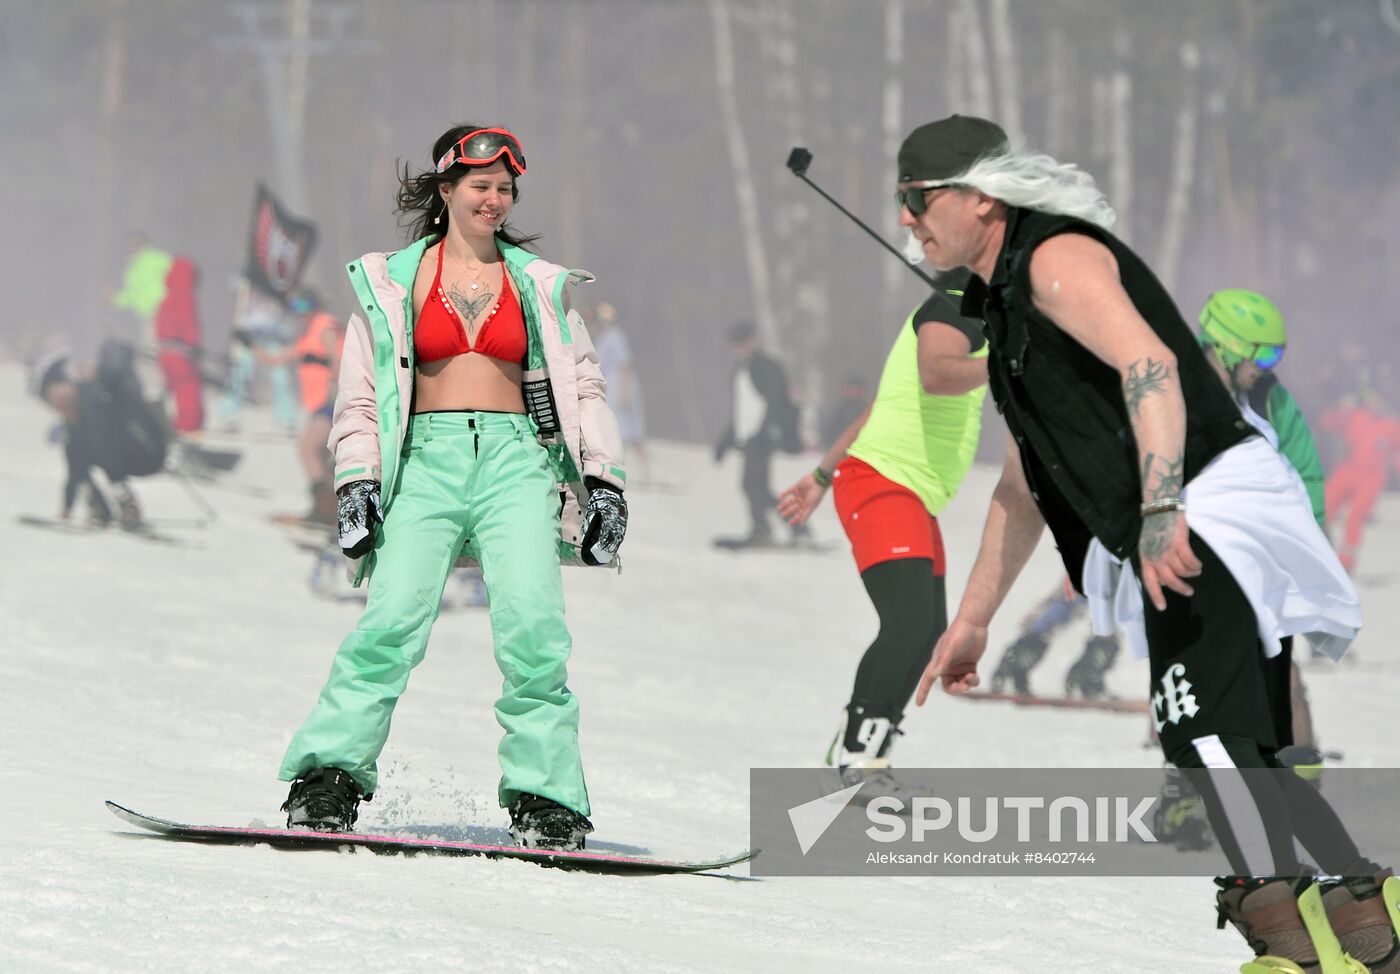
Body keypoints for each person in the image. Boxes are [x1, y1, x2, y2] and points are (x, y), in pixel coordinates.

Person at [900, 116, 1394, 971]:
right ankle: (1366, 926)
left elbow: (1151, 365)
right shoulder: (1011, 319)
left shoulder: (1055, 255)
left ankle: (1291, 945)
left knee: (1199, 733)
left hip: (1206, 503)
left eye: (918, 199)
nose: (908, 219)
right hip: (1187, 510)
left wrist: (1163, 504)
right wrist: (974, 619)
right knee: (1248, 745)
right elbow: (1022, 490)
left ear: (979, 197)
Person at [277, 124, 628, 853]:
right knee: (391, 622)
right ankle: (328, 779)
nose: (494, 200)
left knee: (533, 629)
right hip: (426, 462)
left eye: (504, 189)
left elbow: (583, 383)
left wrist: (604, 481)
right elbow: (362, 394)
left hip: (514, 463)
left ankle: (546, 796)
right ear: (445, 191)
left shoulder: (537, 284)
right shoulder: (390, 282)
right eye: (480, 187)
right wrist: (356, 481)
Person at [777, 268, 987, 797]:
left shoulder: (977, 317)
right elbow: (937, 374)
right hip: (885, 479)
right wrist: (1004, 365)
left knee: (927, 630)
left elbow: (880, 407)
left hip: (909, 488)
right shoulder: (955, 305)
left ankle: (871, 759)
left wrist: (822, 474)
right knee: (909, 622)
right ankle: (854, 755)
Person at [33, 341, 170, 529]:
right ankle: (100, 509)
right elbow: (74, 469)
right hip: (125, 456)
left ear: (66, 383)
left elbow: (121, 375)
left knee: (95, 446)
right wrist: (67, 507)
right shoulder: (75, 421)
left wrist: (100, 369)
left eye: (55, 394)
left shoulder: (95, 391)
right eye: (50, 401)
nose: (56, 403)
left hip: (148, 448)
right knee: (78, 453)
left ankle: (129, 507)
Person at [256, 289, 344, 524]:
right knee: (324, 459)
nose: (300, 313)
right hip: (319, 405)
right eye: (296, 308)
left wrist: (335, 388)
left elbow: (339, 358)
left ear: (315, 305)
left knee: (307, 448)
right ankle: (331, 511)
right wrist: (249, 344)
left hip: (333, 401)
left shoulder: (325, 326)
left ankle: (326, 510)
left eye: (304, 306)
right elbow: (274, 359)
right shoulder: (307, 336)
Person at [714, 321, 803, 545]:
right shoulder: (740, 368)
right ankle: (795, 525)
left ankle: (763, 528)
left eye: (743, 342)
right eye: (736, 344)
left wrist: (768, 431)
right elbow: (741, 409)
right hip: (748, 437)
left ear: (753, 340)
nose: (740, 347)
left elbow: (775, 402)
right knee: (757, 486)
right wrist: (725, 441)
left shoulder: (767, 366)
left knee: (752, 485)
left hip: (762, 437)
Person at [1322, 390, 1400, 574]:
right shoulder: (1356, 415)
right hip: (1347, 470)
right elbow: (1328, 423)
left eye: (1379, 400)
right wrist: (1339, 410)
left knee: (1355, 518)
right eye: (1372, 400)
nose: (1375, 404)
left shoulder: (1392, 426)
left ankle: (1345, 562)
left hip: (1371, 478)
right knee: (1322, 510)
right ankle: (1314, 552)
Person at [590, 301, 649, 481]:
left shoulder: (616, 336)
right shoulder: (605, 336)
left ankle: (643, 472)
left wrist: (623, 392)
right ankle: (625, 470)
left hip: (620, 384)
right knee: (618, 430)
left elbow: (623, 364)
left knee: (628, 429)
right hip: (611, 383)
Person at [152, 257, 206, 442]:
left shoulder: (166, 298)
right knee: (189, 393)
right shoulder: (184, 295)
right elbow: (187, 322)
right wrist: (194, 343)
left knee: (179, 395)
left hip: (166, 354)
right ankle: (188, 434)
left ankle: (181, 430)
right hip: (181, 354)